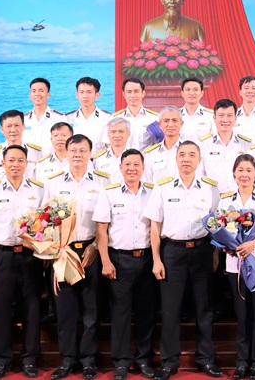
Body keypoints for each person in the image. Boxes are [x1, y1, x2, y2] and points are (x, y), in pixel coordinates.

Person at [143, 141, 221, 380]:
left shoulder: (211, 188)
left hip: (202, 251)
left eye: (192, 155)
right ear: (176, 159)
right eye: (182, 155)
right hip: (172, 253)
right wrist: (156, 259)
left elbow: (218, 225)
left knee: (204, 309)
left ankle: (206, 359)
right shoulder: (163, 187)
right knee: (170, 310)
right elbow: (154, 226)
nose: (186, 159)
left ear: (199, 160)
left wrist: (215, 253)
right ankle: (169, 362)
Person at [0, 145, 44, 379]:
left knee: (32, 307)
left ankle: (29, 358)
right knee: (1, 308)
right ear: (2, 164)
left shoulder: (39, 190)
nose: (15, 164)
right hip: (1, 256)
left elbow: (48, 222)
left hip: (31, 256)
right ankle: (2, 360)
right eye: (11, 160)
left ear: (27, 164)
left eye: (20, 160)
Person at [44, 134, 109, 380]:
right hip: (64, 252)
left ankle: (89, 359)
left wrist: (95, 246)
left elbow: (108, 221)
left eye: (83, 150)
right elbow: (44, 219)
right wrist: (55, 247)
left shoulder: (103, 181)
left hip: (91, 251)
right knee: (66, 308)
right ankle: (68, 358)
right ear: (67, 152)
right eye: (73, 150)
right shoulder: (53, 182)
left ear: (90, 154)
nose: (78, 155)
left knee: (91, 308)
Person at [93, 149, 158, 380]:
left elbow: (157, 228)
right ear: (120, 168)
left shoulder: (153, 193)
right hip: (119, 260)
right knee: (120, 312)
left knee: (146, 312)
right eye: (127, 164)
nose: (132, 168)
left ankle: (143, 359)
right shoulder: (109, 193)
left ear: (143, 168)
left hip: (147, 259)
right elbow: (101, 229)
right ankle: (121, 361)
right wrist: (105, 261)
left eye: (136, 164)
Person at [218, 154, 255, 380]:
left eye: (249, 170)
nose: (244, 174)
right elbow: (218, 228)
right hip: (236, 264)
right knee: (242, 315)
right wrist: (226, 245)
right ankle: (242, 362)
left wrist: (254, 243)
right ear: (234, 174)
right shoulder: (225, 200)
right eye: (240, 170)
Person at [0, 109, 42, 185]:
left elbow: (42, 184)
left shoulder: (36, 153)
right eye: (8, 126)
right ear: (1, 129)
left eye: (17, 125)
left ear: (23, 127)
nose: (13, 130)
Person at [198, 99, 251, 192]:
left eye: (229, 115)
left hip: (240, 197)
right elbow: (199, 176)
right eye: (221, 115)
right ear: (214, 118)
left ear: (235, 119)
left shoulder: (246, 144)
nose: (225, 120)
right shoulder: (203, 144)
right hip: (214, 198)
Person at [139, 0, 206, 42]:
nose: (172, 1)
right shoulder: (148, 28)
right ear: (162, 0)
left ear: (182, 0)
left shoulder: (196, 27)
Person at [112, 78, 159, 150]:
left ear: (143, 93)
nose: (133, 95)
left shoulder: (154, 118)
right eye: (129, 92)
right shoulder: (114, 119)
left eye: (136, 91)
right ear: (124, 94)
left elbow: (161, 144)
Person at [143, 107, 187, 183]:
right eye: (166, 121)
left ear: (181, 124)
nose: (170, 125)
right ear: (159, 125)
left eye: (174, 120)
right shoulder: (150, 154)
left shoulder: (190, 151)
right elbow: (147, 183)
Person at [23, 77, 67, 151]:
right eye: (34, 91)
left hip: (50, 158)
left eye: (41, 91)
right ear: (30, 95)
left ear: (48, 95)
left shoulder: (59, 118)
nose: (37, 94)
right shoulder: (23, 119)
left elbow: (65, 143)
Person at [67, 77, 110, 150]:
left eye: (89, 92)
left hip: (99, 157)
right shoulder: (68, 118)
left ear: (97, 95)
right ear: (77, 95)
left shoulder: (107, 118)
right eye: (82, 92)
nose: (85, 96)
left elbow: (111, 146)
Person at [93, 117, 133, 183]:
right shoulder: (98, 159)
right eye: (113, 132)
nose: (117, 135)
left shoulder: (136, 157)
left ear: (129, 134)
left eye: (121, 131)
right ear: (108, 134)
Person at [179, 78, 216, 142]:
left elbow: (215, 139)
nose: (191, 93)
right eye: (188, 90)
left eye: (195, 90)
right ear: (182, 93)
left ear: (201, 93)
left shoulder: (211, 116)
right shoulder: (175, 115)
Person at [235, 76, 255, 143]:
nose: (250, 91)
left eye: (254, 88)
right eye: (246, 88)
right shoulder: (232, 115)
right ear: (240, 92)